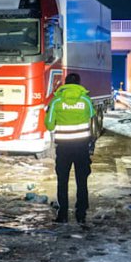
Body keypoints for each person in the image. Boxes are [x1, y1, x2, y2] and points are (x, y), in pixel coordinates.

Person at [45, 72, 95, 224]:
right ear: (79, 84)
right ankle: (81, 214)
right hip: (81, 147)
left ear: (65, 84)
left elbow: (49, 125)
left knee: (62, 180)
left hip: (64, 148)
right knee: (82, 180)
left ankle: (63, 215)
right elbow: (91, 118)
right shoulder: (86, 100)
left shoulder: (56, 101)